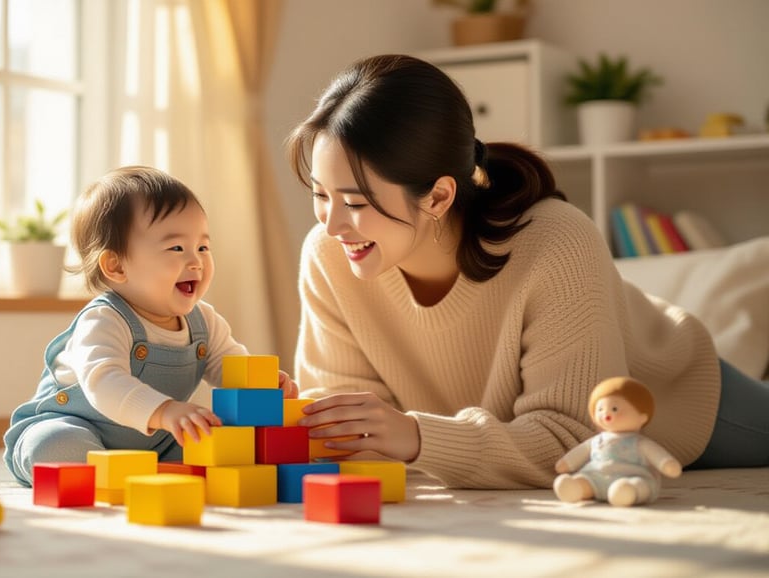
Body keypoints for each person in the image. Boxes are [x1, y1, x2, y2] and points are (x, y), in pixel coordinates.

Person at [286, 54, 769, 489]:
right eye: (320, 195)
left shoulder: (556, 241)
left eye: (353, 202)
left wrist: (415, 436)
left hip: (676, 403)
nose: (330, 224)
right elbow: (344, 417)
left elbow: (572, 436)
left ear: (437, 196)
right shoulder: (328, 255)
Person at [3, 166, 299, 486]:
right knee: (56, 446)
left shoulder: (204, 322)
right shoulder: (104, 321)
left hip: (155, 439)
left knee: (221, 445)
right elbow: (106, 382)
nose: (196, 261)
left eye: (202, 247)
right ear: (116, 266)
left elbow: (232, 365)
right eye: (176, 248)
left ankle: (140, 476)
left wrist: (265, 385)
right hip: (74, 424)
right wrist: (165, 410)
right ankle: (101, 474)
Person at [553, 376, 681, 507]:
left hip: (631, 476)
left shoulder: (639, 443)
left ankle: (628, 493)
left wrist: (667, 464)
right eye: (600, 409)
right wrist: (566, 463)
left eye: (614, 409)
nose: (606, 414)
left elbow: (657, 455)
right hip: (597, 476)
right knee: (584, 480)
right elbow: (581, 452)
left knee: (640, 485)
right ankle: (576, 488)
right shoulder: (597, 440)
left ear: (642, 416)